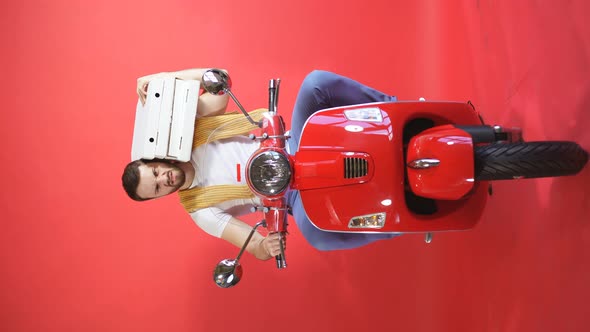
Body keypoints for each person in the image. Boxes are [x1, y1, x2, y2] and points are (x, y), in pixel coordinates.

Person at [122, 68, 401, 261]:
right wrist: (265, 247)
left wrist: (162, 78)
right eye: (157, 188)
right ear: (160, 197)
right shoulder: (200, 210)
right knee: (320, 237)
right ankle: (395, 223)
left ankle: (395, 109)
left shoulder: (192, 130)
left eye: (156, 173)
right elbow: (252, 244)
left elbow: (218, 79)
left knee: (316, 82)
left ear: (157, 159)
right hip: (290, 194)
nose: (164, 179)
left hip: (291, 142)